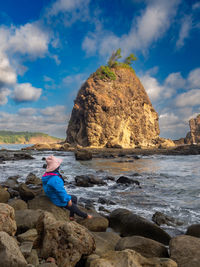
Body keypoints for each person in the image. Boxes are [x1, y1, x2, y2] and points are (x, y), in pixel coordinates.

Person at [42, 155, 92, 220]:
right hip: (56, 198)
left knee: (74, 198)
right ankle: (85, 216)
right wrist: (68, 200)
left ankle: (71, 216)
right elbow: (60, 191)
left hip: (52, 194)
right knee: (71, 205)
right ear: (56, 167)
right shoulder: (55, 179)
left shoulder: (48, 175)